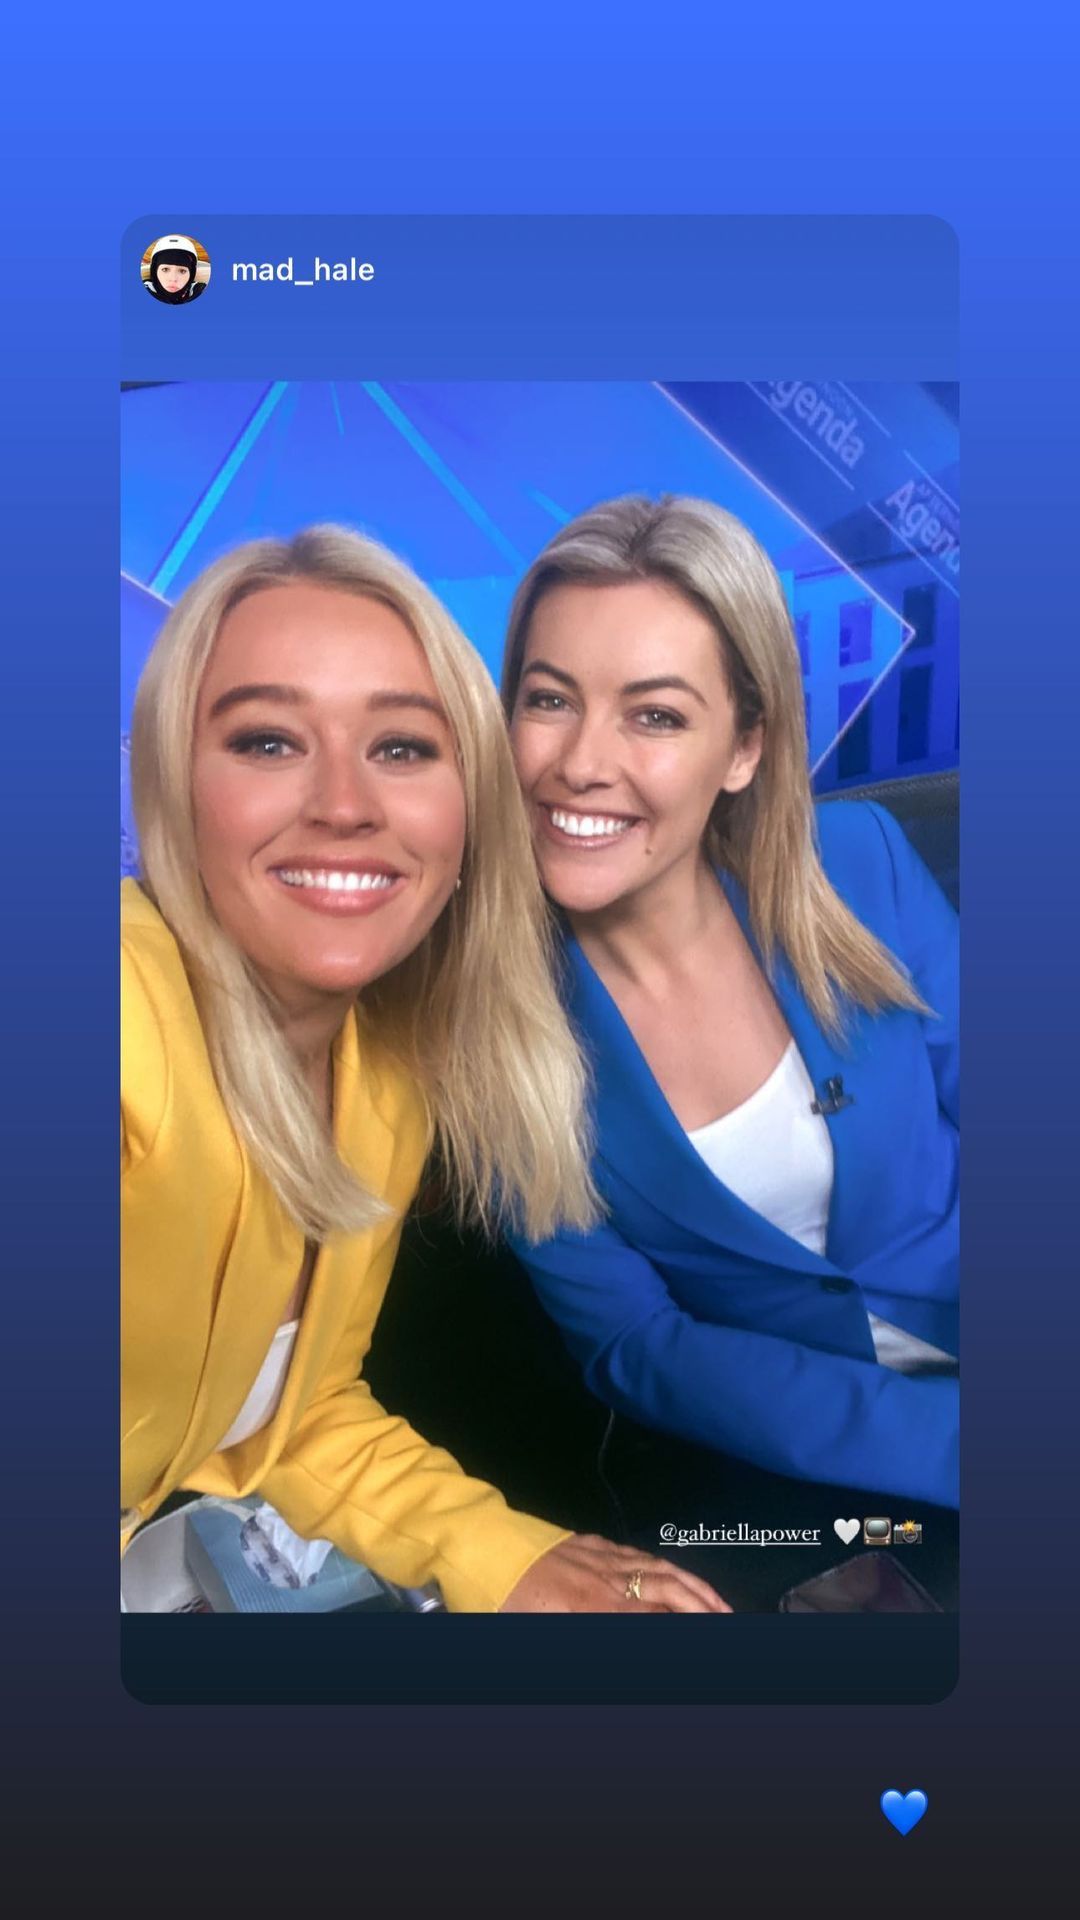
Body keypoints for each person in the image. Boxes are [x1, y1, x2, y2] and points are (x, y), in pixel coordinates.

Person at [122, 523, 728, 1615]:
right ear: (174, 785)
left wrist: (505, 1557)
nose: (345, 803)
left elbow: (299, 1414)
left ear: (468, 807)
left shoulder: (387, 1081)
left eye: (402, 748)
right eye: (268, 741)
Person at [502, 495, 958, 1512]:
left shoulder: (862, 864)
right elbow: (637, 1346)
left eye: (655, 715)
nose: (581, 764)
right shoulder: (484, 1037)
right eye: (550, 699)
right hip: (825, 1487)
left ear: (745, 748)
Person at [144, 234, 206, 303]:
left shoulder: (200, 290)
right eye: (165, 269)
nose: (173, 279)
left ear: (191, 273)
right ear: (155, 270)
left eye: (182, 271)